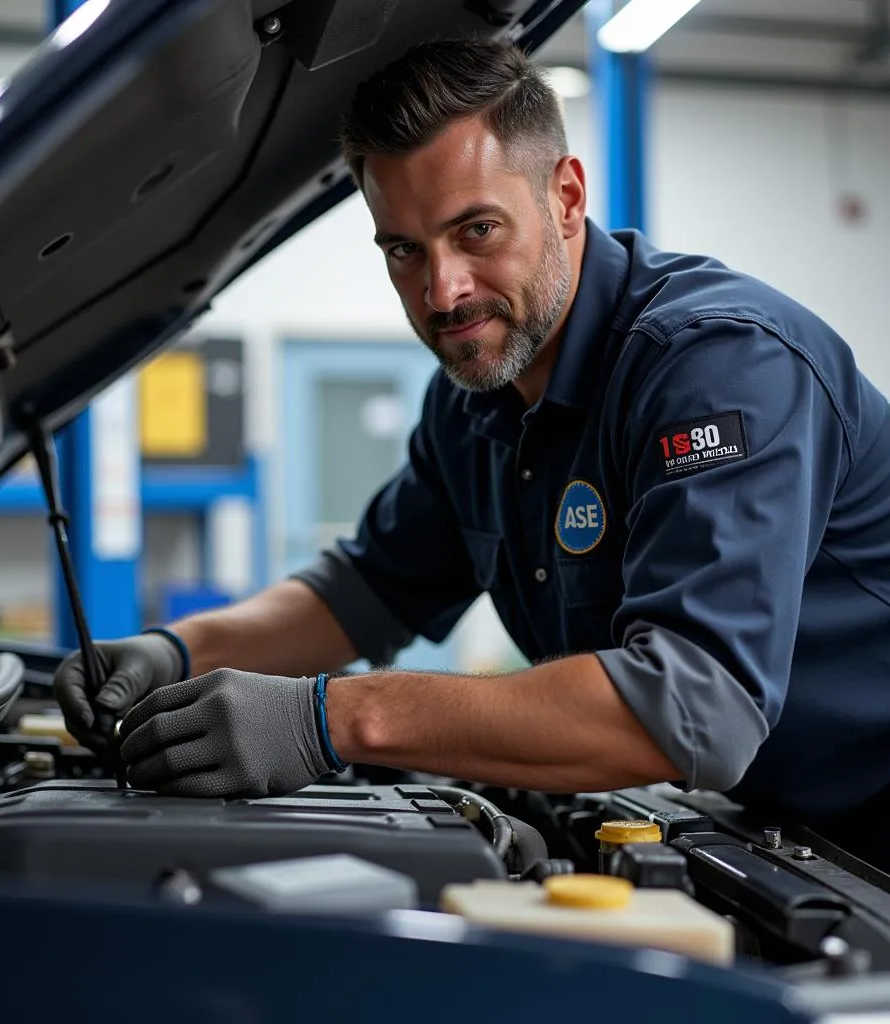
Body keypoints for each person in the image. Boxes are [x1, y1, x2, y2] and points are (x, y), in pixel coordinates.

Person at [54, 39, 890, 865]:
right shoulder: (474, 400)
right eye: (404, 249)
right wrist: (177, 651)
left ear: (565, 197)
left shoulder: (720, 366)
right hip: (791, 831)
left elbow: (689, 710)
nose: (442, 291)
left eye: (477, 229)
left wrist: (334, 718)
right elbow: (366, 590)